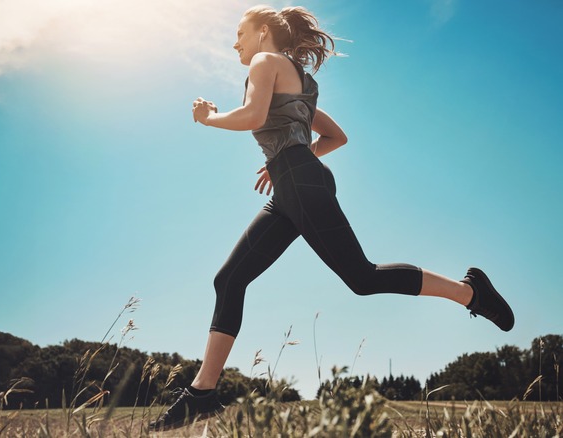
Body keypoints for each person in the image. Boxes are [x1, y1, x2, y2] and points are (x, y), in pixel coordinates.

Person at [149, 4, 514, 432]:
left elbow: (252, 115)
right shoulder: (302, 81)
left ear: (264, 33)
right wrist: (287, 158)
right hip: (294, 185)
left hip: (301, 183)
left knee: (363, 277)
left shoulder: (266, 61)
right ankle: (202, 394)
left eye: (240, 33)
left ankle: (469, 291)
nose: (236, 43)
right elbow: (335, 137)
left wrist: (207, 117)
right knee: (229, 280)